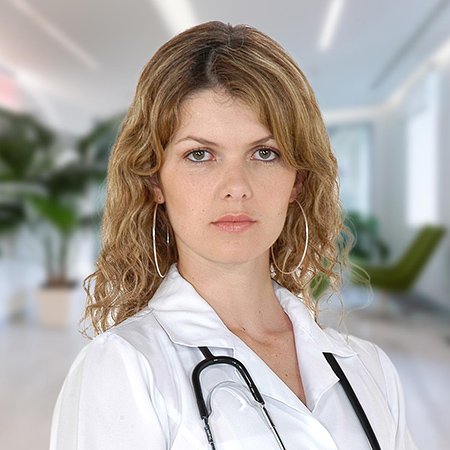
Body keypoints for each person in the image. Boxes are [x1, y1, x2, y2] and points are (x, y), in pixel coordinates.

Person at [50, 21, 417, 450]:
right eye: (200, 155)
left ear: (297, 179)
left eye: (265, 153)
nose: (237, 186)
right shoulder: (125, 369)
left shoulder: (370, 370)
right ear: (154, 180)